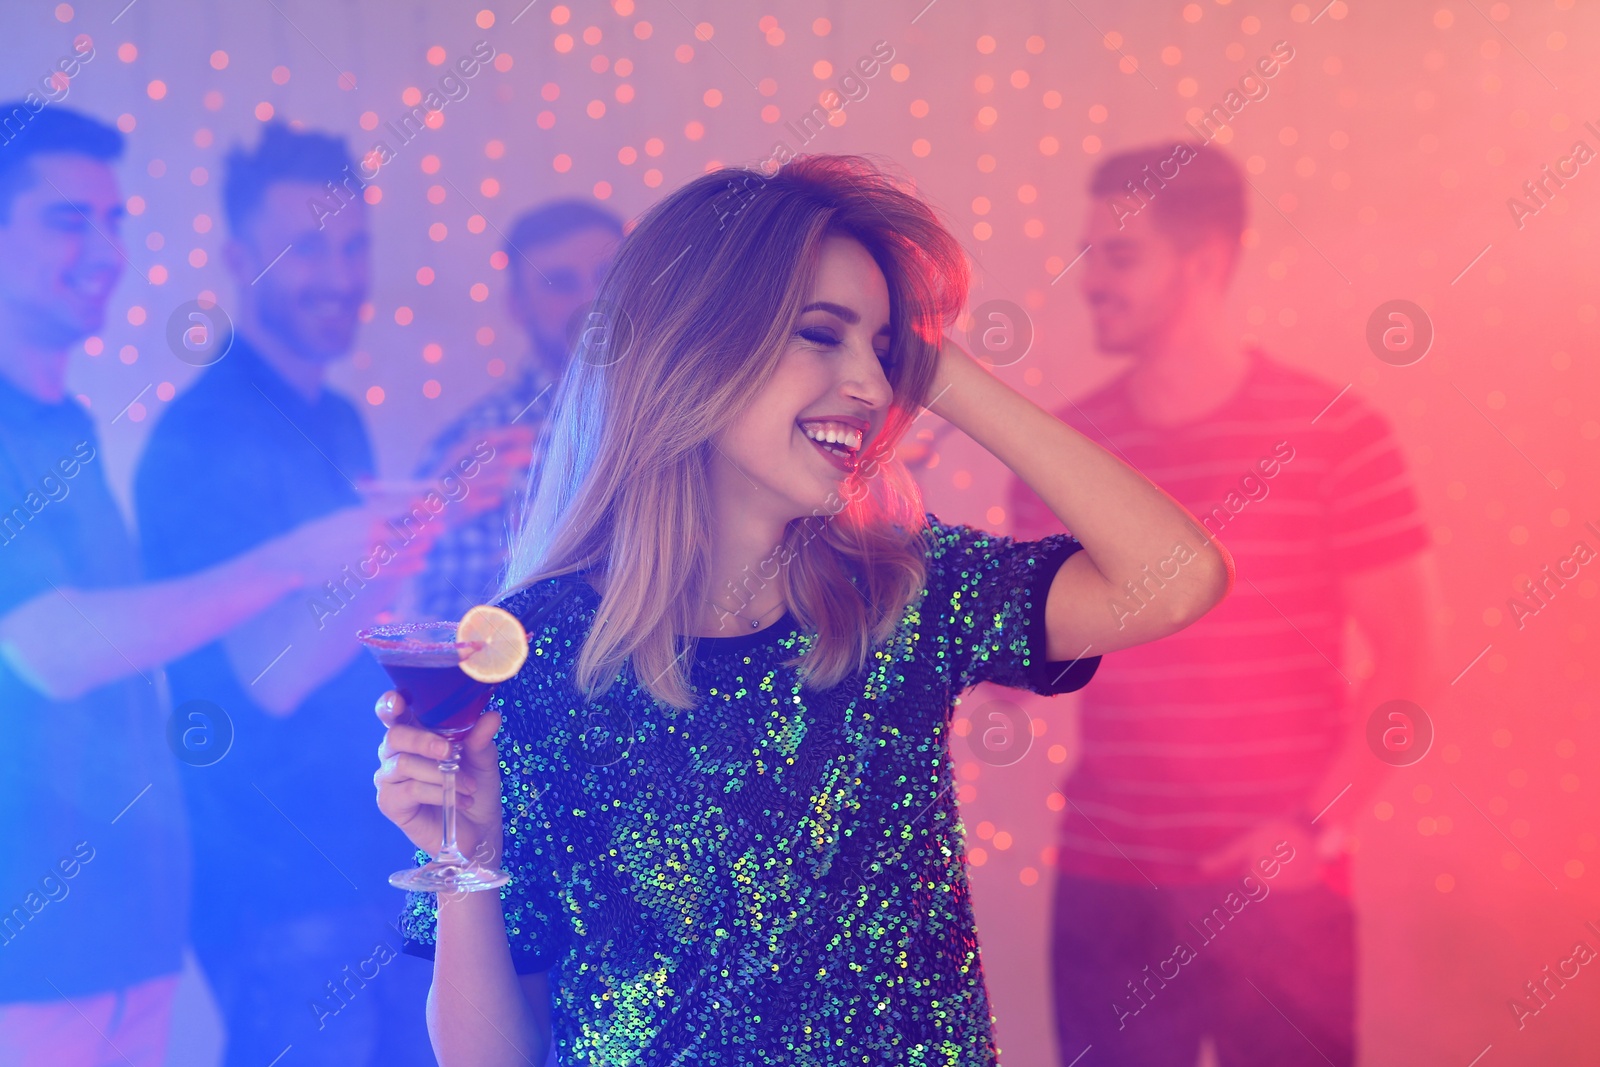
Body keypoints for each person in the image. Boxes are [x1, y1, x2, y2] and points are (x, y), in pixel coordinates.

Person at [370, 153, 1234, 1065]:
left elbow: (1177, 578)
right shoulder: (529, 656)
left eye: (884, 347)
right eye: (823, 334)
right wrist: (467, 861)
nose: (871, 385)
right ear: (697, 346)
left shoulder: (904, 591)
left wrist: (939, 370)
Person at [1007, 144, 1443, 1066]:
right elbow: (1015, 671)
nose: (1090, 283)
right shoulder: (1065, 451)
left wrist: (1316, 831)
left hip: (1284, 882)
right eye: (1088, 255)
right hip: (1109, 885)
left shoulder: (1339, 437)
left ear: (1203, 261)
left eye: (1119, 256)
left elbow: (1410, 668)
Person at [0, 105, 397, 1066]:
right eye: (67, 221)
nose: (105, 249)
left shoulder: (69, 426)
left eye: (113, 221)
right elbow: (51, 647)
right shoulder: (174, 431)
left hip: (132, 929)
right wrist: (309, 556)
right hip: (49, 941)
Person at [133, 123, 527, 1065]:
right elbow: (272, 675)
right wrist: (427, 512)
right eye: (305, 246)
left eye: (353, 246)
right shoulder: (204, 434)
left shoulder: (334, 415)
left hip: (365, 853)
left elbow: (360, 617)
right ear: (238, 258)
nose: (339, 275)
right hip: (277, 883)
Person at [411, 199, 621, 622]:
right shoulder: (474, 448)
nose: (590, 301)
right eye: (560, 284)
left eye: (607, 277)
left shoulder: (695, 414)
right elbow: (455, 634)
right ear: (517, 306)